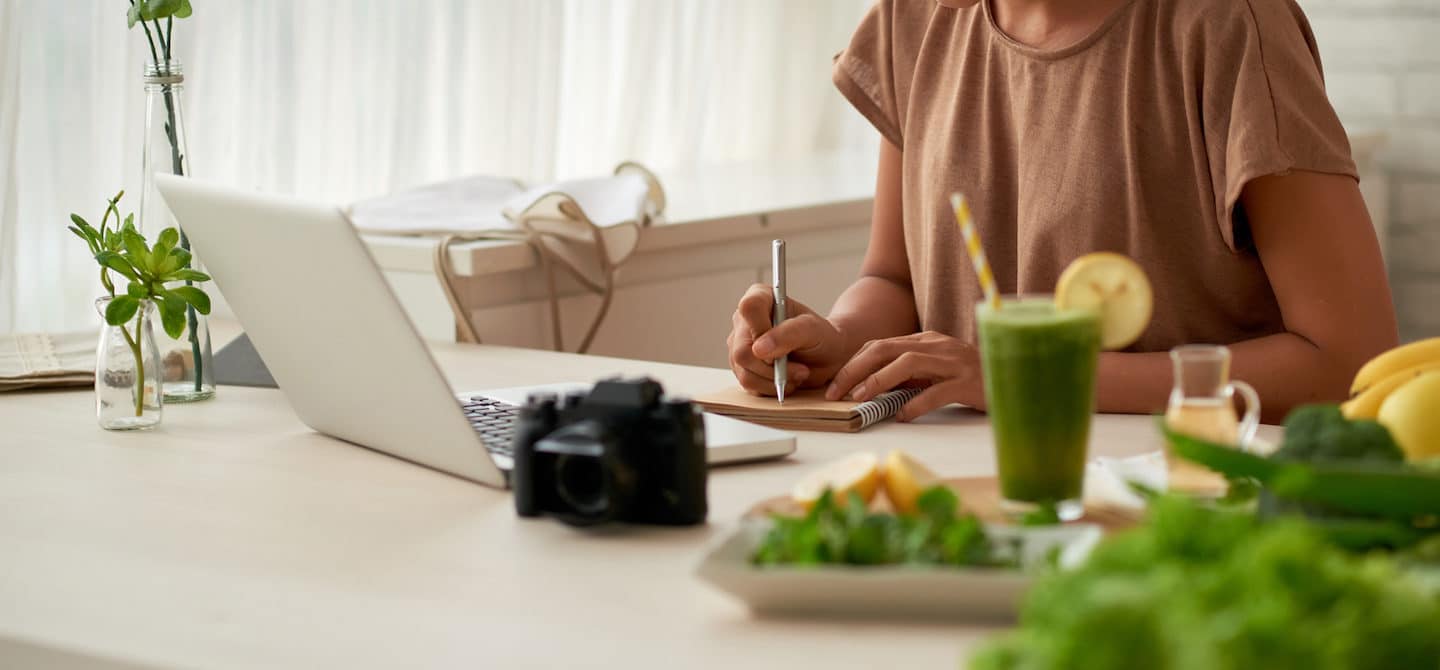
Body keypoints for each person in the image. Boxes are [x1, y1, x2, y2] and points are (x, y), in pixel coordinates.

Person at [726, 0, 1396, 424]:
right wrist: (838, 344)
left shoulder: (1228, 24)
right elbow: (894, 280)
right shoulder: (913, 18)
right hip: (969, 488)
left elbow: (1347, 362)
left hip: (1181, 502)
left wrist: (1034, 378)